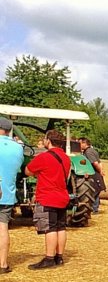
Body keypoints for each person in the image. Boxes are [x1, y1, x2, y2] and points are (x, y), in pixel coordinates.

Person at [25, 130, 71, 269]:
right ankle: (59, 256)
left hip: (47, 197)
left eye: (45, 139)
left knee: (50, 228)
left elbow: (28, 170)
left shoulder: (44, 157)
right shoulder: (66, 157)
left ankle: (49, 258)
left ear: (48, 140)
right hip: (62, 196)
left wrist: (38, 174)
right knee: (60, 227)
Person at [0, 117, 25, 274]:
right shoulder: (18, 148)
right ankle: (2, 264)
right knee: (3, 228)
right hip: (6, 194)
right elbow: (18, 168)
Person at [77, 137, 105, 213]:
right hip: (97, 173)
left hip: (93, 173)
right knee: (96, 191)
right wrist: (101, 171)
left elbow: (95, 163)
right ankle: (95, 208)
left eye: (79, 143)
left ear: (84, 143)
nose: (78, 145)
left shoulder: (88, 152)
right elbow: (100, 162)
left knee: (94, 192)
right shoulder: (93, 150)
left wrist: (100, 171)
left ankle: (94, 209)